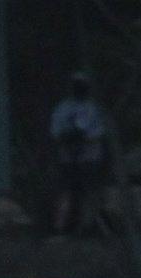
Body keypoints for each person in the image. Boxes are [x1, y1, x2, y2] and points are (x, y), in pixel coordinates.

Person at [49, 71, 108, 237]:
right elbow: (55, 133)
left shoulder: (94, 107)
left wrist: (83, 140)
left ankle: (88, 226)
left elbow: (99, 132)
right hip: (67, 157)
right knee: (65, 192)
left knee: (90, 192)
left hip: (89, 157)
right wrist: (69, 141)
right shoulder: (63, 108)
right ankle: (60, 228)